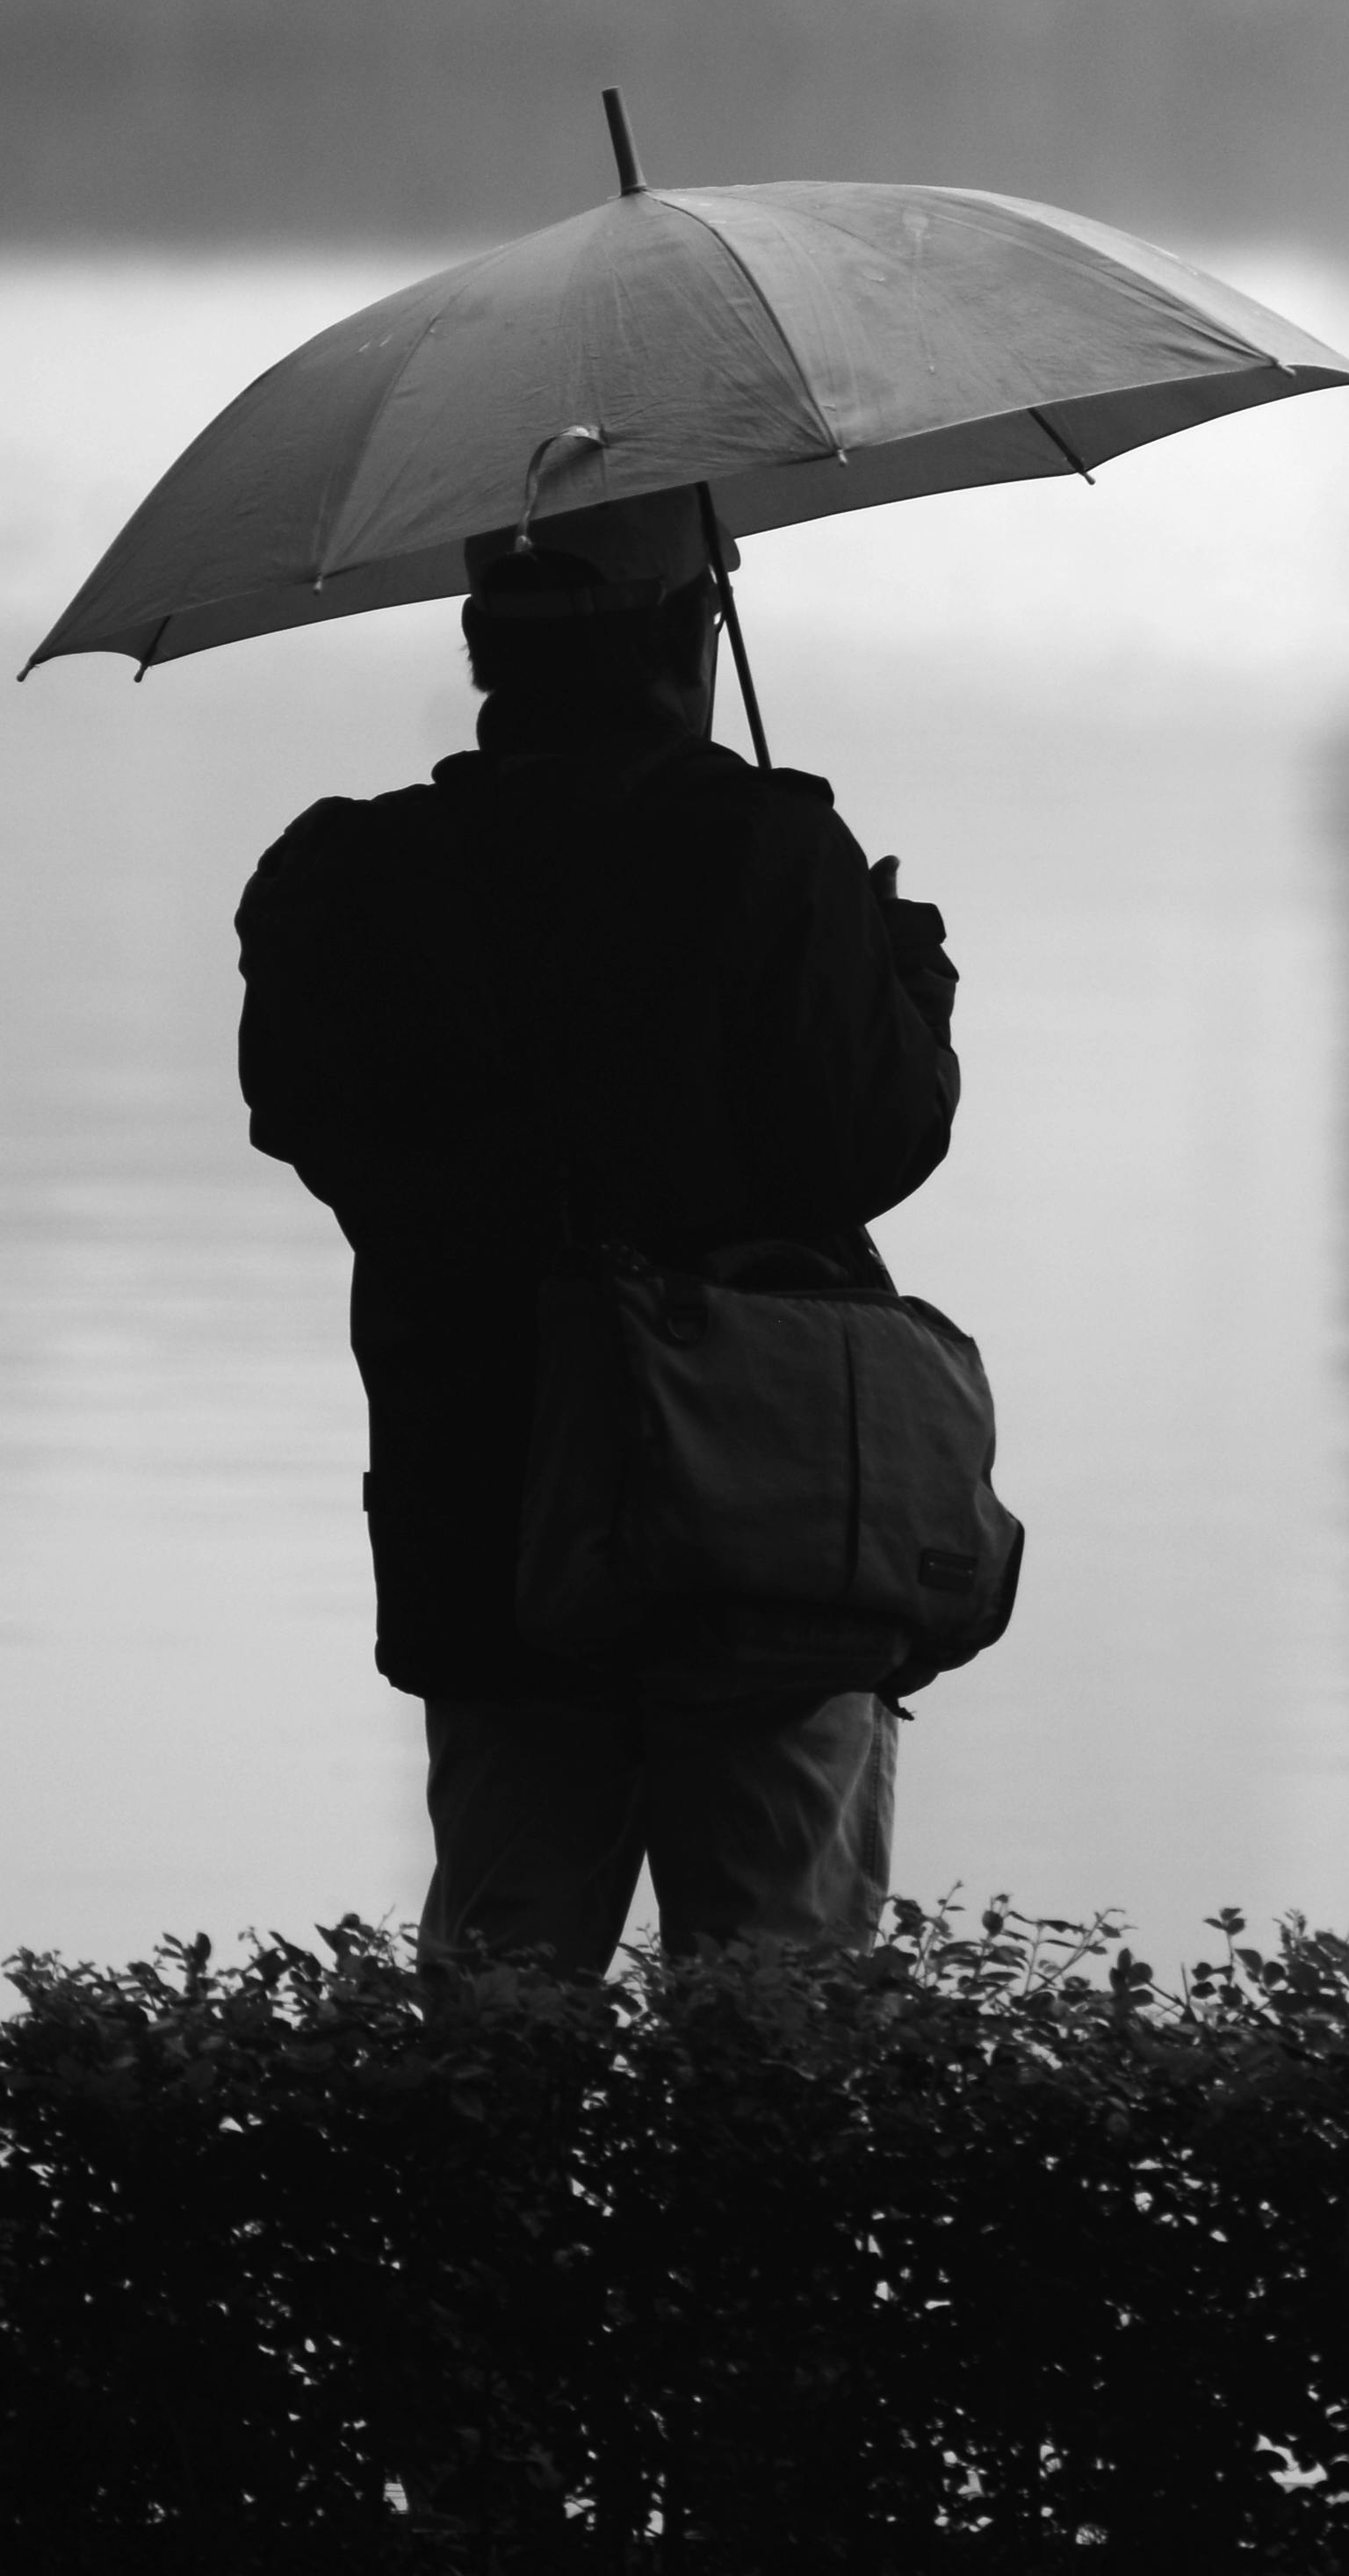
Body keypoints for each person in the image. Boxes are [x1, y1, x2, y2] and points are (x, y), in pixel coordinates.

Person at [234, 484, 962, 1972]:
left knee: (506, 1982)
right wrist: (905, 990)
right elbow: (868, 1147)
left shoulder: (356, 879)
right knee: (776, 1990)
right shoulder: (770, 853)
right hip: (762, 1516)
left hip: (486, 1519)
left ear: (481, 644)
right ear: (690, 634)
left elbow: (312, 1124)